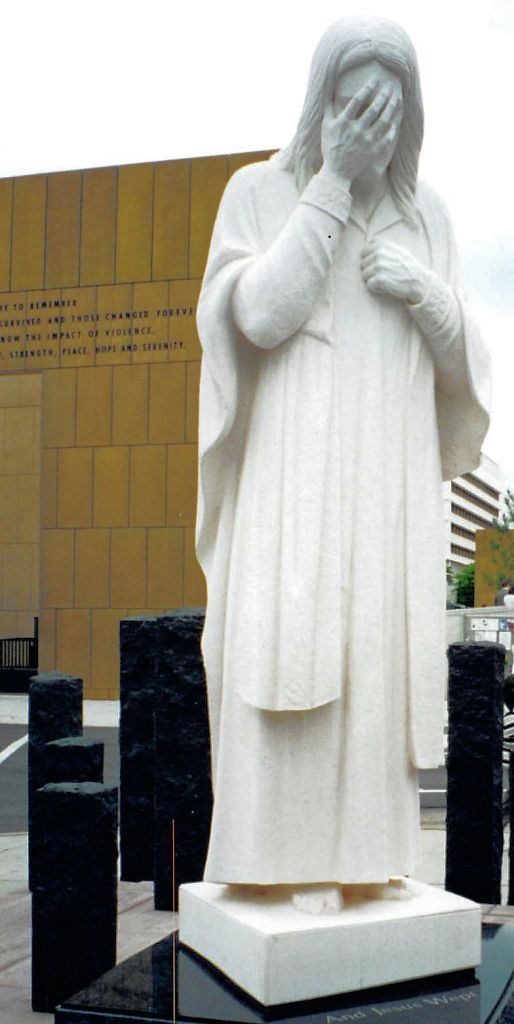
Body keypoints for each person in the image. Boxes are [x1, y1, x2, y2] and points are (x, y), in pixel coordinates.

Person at [195, 16, 490, 900]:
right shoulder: (260, 192)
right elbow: (255, 316)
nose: (373, 125)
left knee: (374, 666)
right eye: (357, 104)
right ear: (324, 102)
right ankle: (269, 869)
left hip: (387, 489)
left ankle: (368, 867)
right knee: (285, 655)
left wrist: (425, 294)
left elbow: (466, 370)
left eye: (389, 111)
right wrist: (329, 184)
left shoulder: (425, 214)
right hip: (294, 480)